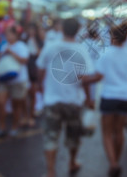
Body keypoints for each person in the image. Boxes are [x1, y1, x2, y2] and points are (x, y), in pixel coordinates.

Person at [36, 18, 94, 177]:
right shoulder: (81, 50)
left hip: (52, 99)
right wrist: (89, 99)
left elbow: (40, 69)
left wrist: (40, 87)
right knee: (74, 135)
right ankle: (72, 162)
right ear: (77, 31)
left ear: (61, 28)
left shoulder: (50, 46)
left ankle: (50, 172)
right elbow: (85, 79)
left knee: (51, 137)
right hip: (74, 100)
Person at [85, 22, 127, 177]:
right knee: (119, 132)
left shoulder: (105, 55)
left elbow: (98, 77)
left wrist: (84, 80)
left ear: (113, 37)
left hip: (109, 96)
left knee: (107, 133)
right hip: (126, 96)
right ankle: (116, 159)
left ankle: (113, 163)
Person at [0, 26, 29, 138]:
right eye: (6, 34)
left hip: (18, 80)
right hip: (4, 79)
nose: (8, 37)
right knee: (0, 103)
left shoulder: (21, 46)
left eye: (10, 34)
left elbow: (24, 60)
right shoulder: (4, 45)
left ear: (16, 35)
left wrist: (11, 52)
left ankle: (14, 127)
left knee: (16, 105)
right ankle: (2, 127)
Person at [25, 22, 43, 126]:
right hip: (25, 69)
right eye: (29, 30)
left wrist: (34, 41)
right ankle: (26, 115)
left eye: (33, 30)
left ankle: (31, 114)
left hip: (34, 69)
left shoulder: (39, 41)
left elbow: (38, 53)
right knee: (25, 94)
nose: (31, 32)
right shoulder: (24, 40)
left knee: (33, 93)